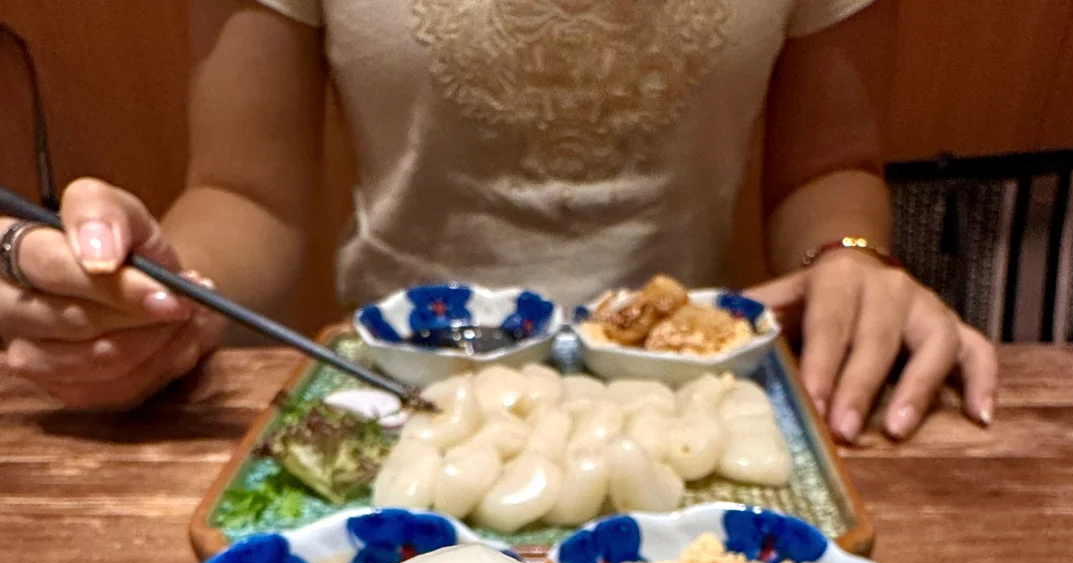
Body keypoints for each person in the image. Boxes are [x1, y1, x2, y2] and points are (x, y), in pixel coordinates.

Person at [0, 0, 996, 438]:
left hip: (683, 397)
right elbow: (243, 196)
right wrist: (159, 298)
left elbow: (830, 170)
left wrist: (850, 258)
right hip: (397, 402)